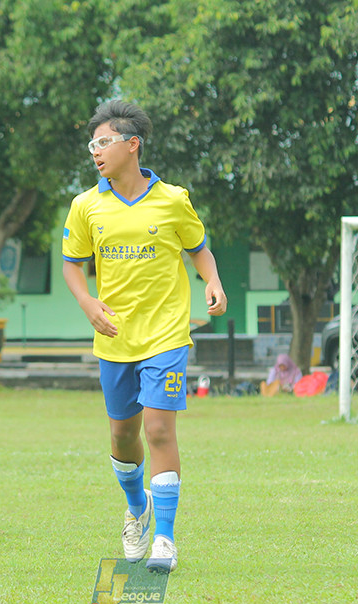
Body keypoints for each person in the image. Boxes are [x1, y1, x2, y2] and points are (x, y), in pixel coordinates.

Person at [62, 99, 228, 573]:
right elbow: (72, 265)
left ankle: (165, 541)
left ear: (132, 145)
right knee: (122, 434)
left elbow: (200, 251)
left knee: (158, 429)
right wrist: (87, 302)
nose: (95, 151)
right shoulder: (86, 206)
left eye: (104, 142)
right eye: (91, 144)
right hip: (115, 339)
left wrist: (211, 282)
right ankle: (138, 510)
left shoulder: (173, 200)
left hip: (166, 336)